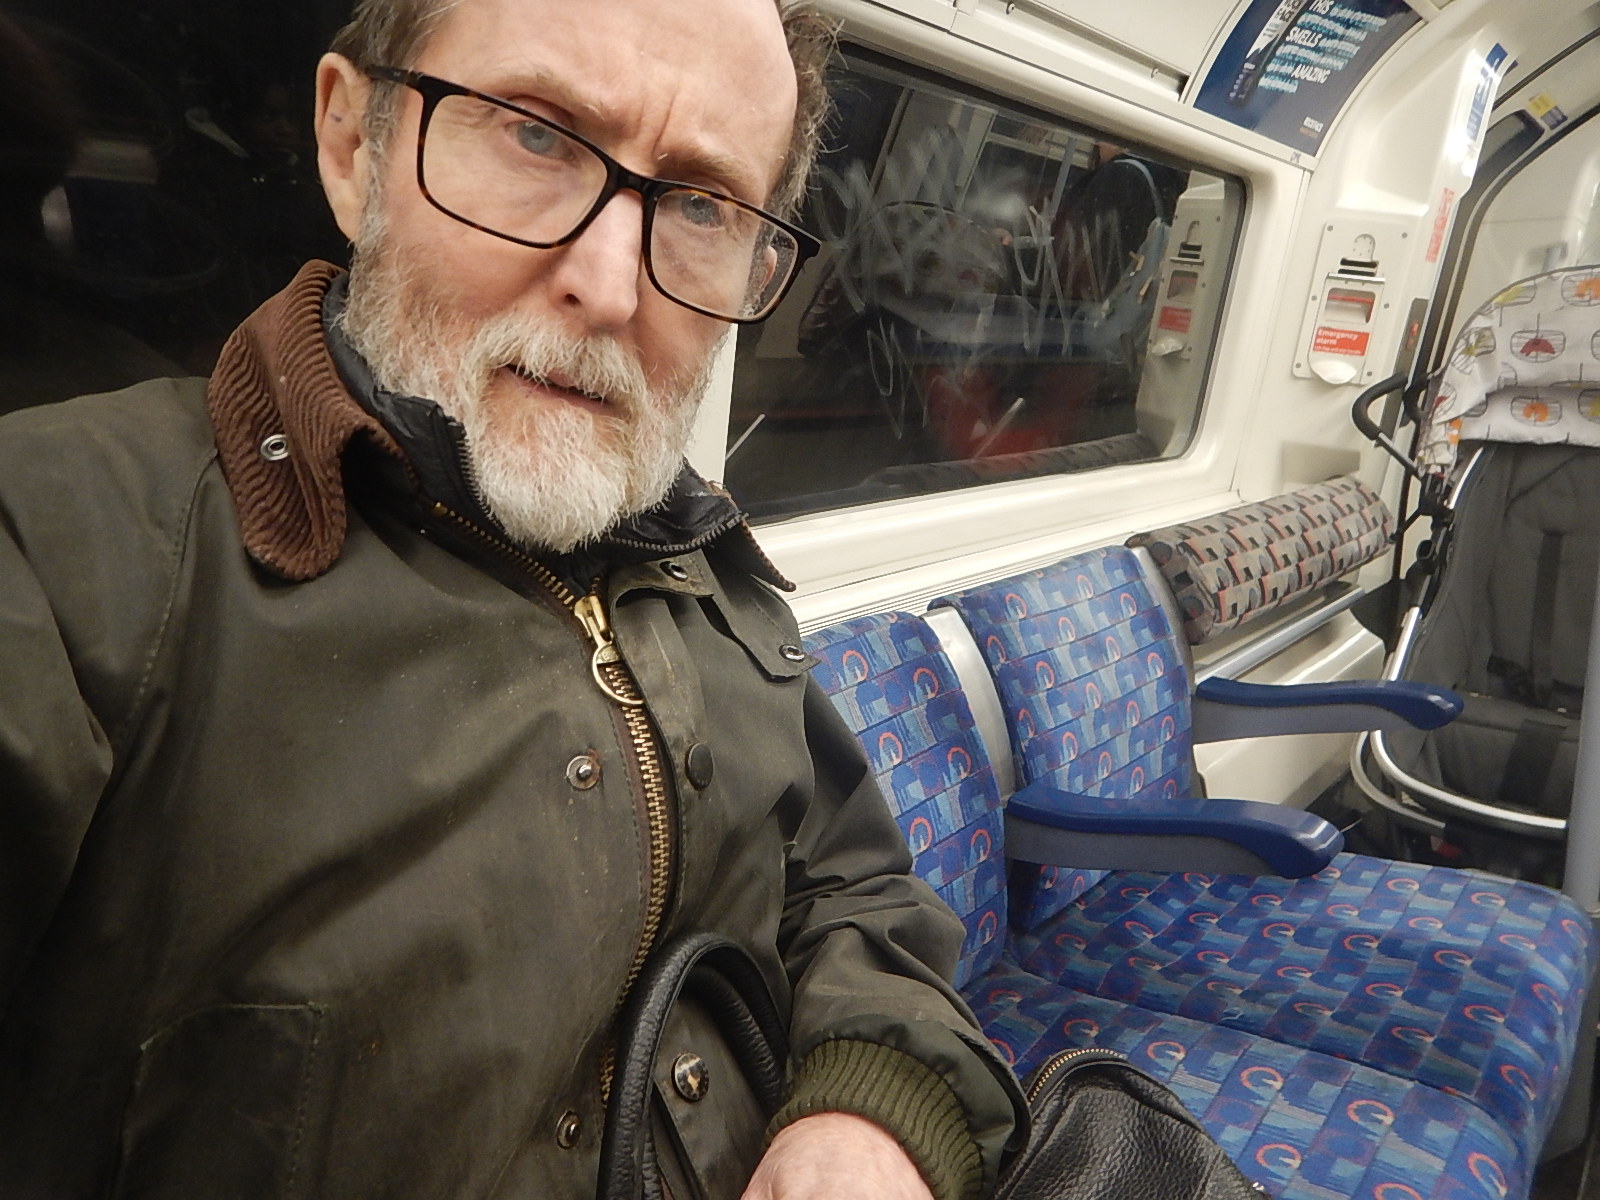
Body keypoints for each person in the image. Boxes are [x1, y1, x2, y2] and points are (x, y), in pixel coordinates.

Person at [0, 1, 1024, 1198]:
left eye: (699, 205)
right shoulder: (62, 560)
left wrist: (874, 1103)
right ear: (354, 144)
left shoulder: (702, 567)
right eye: (537, 135)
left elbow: (843, 887)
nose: (609, 284)